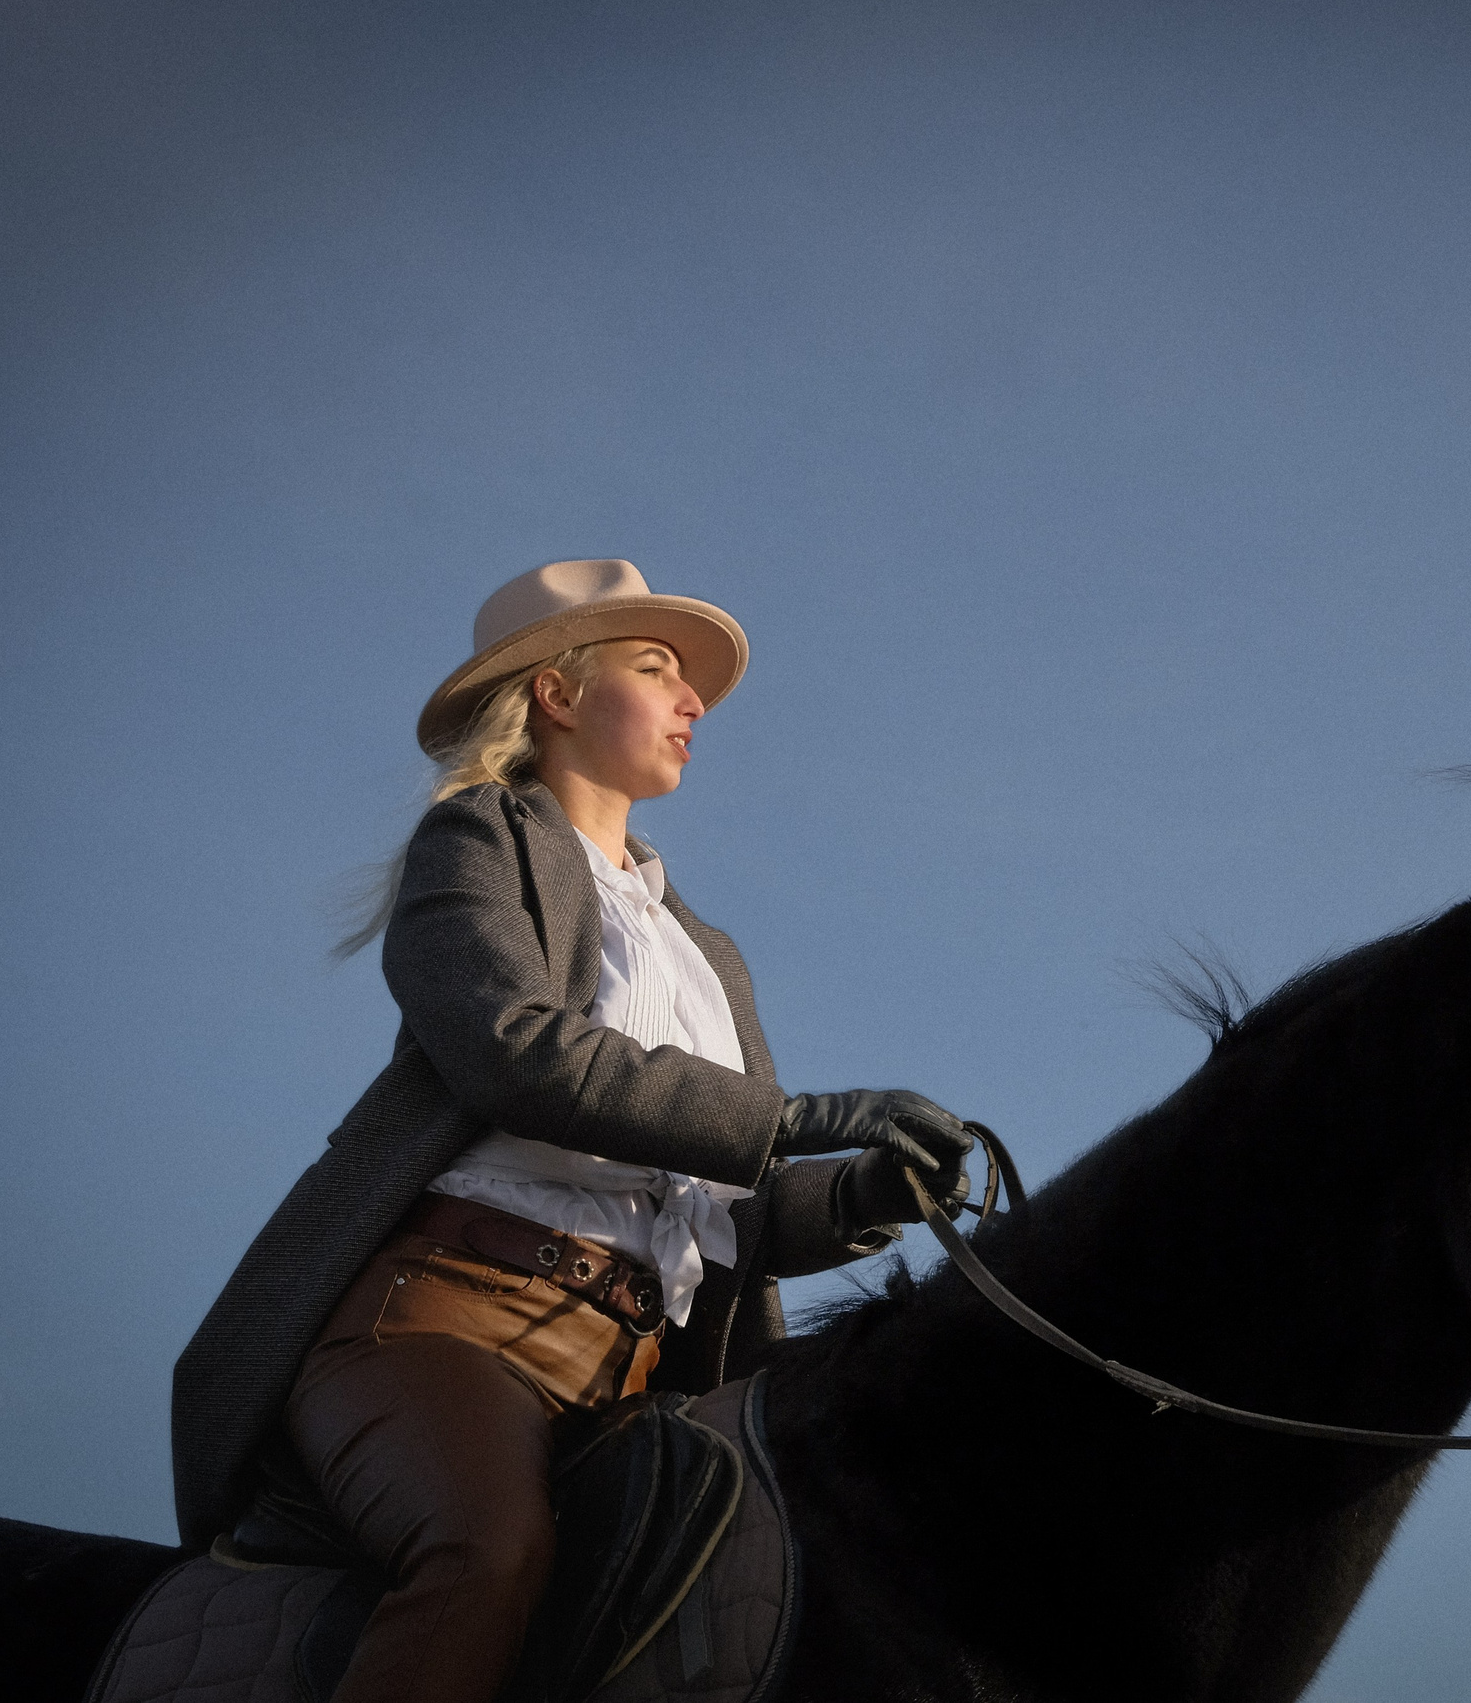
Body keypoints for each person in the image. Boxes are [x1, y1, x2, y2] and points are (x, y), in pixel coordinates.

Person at [169, 558, 974, 1703]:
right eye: (656, 669)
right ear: (557, 693)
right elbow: (516, 1049)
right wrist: (797, 1116)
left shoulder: (707, 951)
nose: (693, 701)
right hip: (446, 1328)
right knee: (488, 1552)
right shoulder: (474, 840)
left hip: (638, 1372)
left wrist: (864, 1193)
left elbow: (721, 1210)